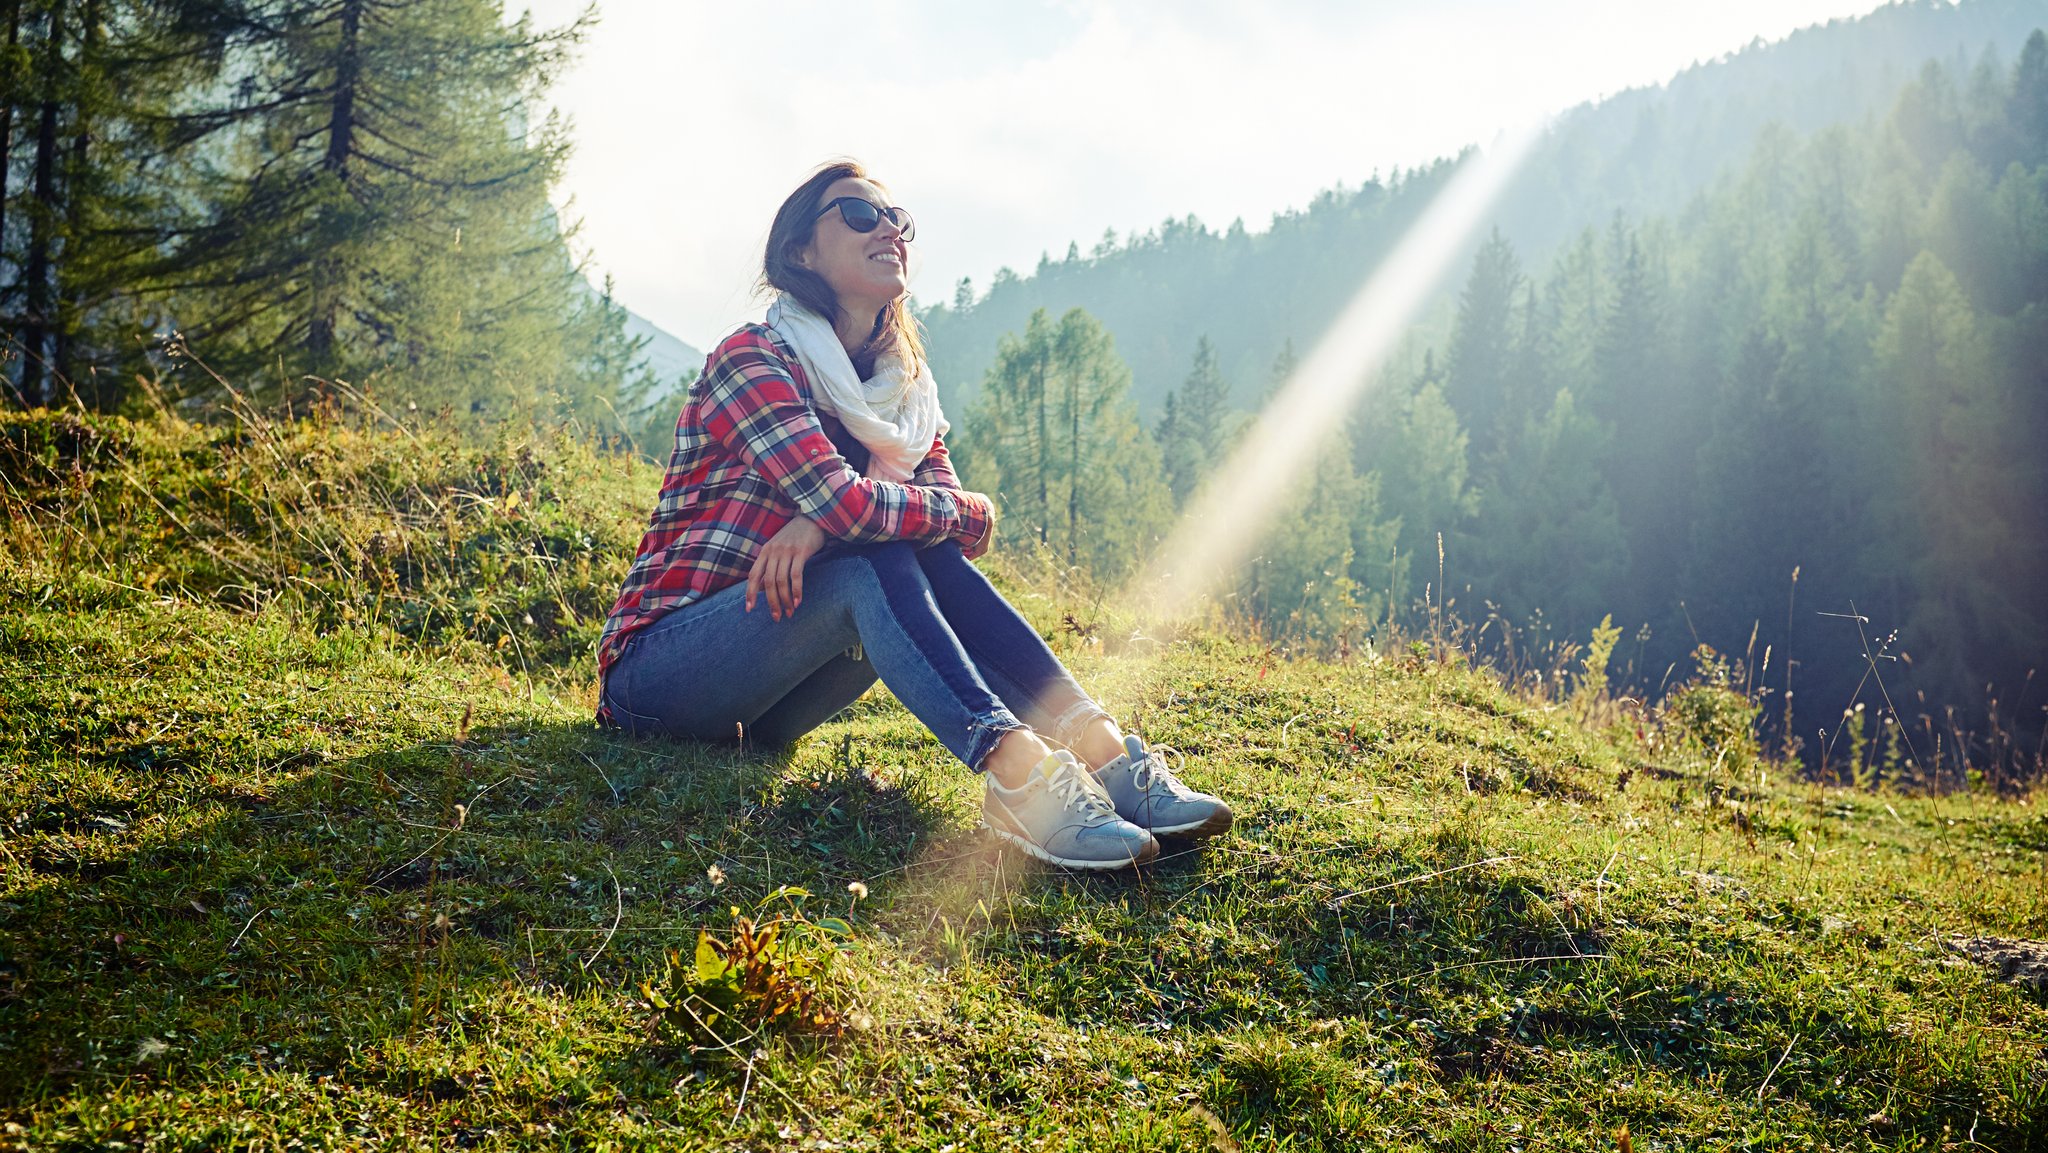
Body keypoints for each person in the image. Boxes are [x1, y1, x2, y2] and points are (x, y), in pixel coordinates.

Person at [596, 160, 1231, 871]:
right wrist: (849, 515)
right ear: (801, 250)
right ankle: (1018, 771)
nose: (889, 230)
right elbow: (877, 506)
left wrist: (829, 523)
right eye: (860, 215)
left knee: (911, 548)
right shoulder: (754, 359)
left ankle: (1109, 758)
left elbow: (959, 532)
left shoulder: (899, 391)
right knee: (876, 555)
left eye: (898, 219)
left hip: (765, 711)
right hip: (660, 676)